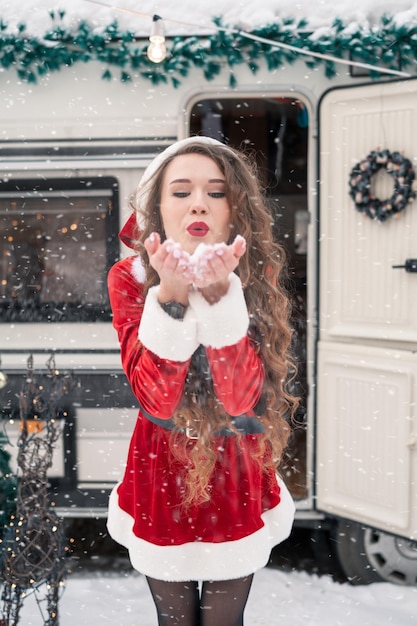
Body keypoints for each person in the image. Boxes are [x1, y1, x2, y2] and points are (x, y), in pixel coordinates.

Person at [107, 136, 299, 626]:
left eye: (216, 192)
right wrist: (170, 298)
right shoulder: (129, 277)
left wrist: (219, 300)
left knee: (222, 622)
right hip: (161, 466)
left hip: (234, 462)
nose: (198, 202)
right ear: (158, 206)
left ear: (235, 210)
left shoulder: (255, 272)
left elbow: (243, 398)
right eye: (181, 191)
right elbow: (155, 396)